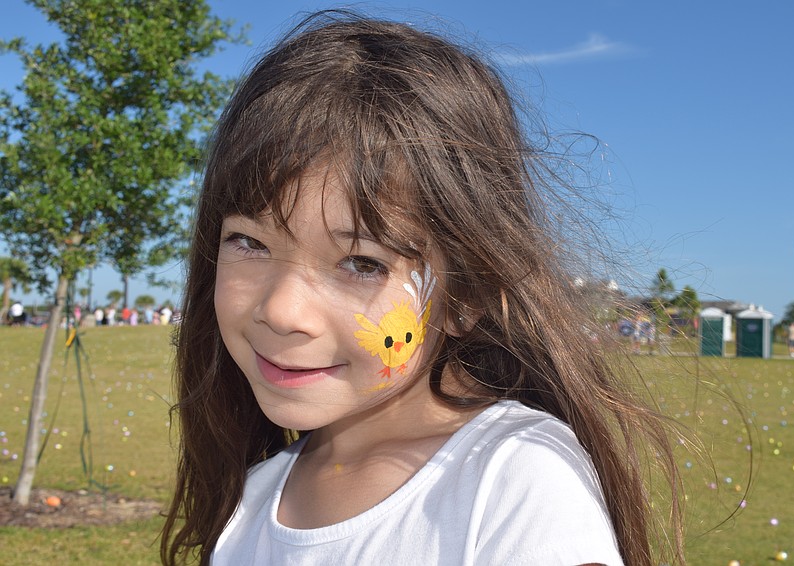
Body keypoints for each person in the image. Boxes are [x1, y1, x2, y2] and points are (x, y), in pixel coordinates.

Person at [161, 12, 683, 566]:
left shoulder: (512, 481)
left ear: (466, 294)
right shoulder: (252, 503)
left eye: (361, 263)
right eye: (250, 242)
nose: (283, 310)